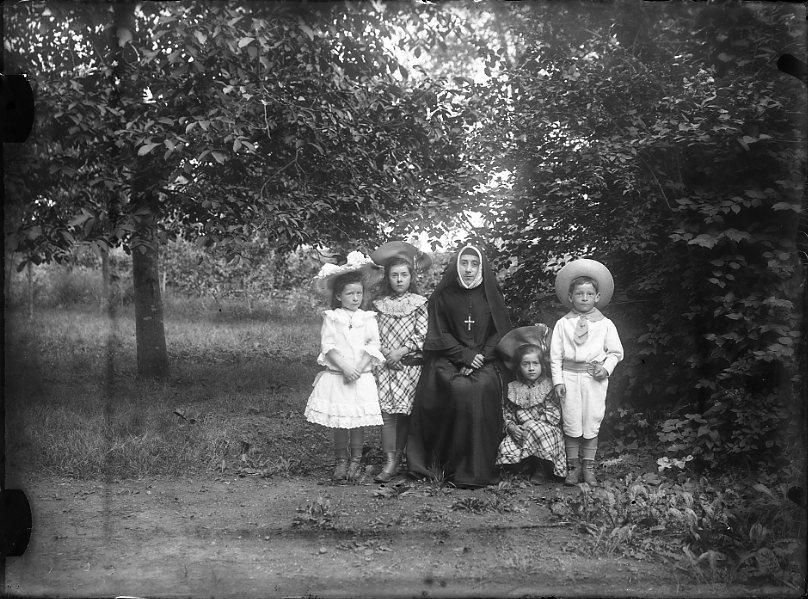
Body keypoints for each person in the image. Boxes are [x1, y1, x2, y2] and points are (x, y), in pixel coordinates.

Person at [407, 245, 512, 488]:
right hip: (448, 357)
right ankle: (446, 464)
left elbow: (499, 332)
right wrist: (464, 356)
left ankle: (478, 467)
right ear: (456, 266)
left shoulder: (491, 295)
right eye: (464, 263)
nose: (468, 269)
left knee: (481, 387)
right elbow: (438, 331)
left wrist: (480, 357)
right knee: (455, 387)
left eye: (474, 264)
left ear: (481, 267)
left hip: (485, 359)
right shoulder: (443, 296)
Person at [304, 251, 385, 482]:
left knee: (357, 422)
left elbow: (373, 344)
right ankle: (341, 460)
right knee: (340, 420)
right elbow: (328, 346)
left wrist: (358, 368)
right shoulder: (332, 317)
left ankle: (356, 461)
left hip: (360, 377)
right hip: (339, 376)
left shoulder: (368, 318)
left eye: (359, 293)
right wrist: (345, 367)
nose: (355, 298)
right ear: (339, 296)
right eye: (350, 293)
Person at [550, 259, 624, 487]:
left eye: (589, 294)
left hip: (594, 378)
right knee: (571, 420)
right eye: (579, 294)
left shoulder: (605, 324)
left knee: (592, 421)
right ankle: (573, 467)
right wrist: (558, 381)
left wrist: (606, 368)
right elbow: (555, 356)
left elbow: (616, 352)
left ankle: (589, 468)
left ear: (597, 297)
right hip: (570, 377)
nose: (584, 298)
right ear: (570, 297)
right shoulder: (563, 324)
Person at [369, 242, 431, 483]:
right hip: (386, 367)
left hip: (408, 367)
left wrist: (401, 352)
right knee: (387, 415)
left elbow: (422, 334)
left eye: (404, 275)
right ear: (388, 277)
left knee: (404, 414)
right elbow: (372, 334)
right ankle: (389, 460)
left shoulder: (419, 303)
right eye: (394, 275)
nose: (399, 280)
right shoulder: (379, 304)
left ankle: (400, 457)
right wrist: (387, 353)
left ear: (411, 277)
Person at [494, 325, 567, 482]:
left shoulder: (548, 385)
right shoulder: (513, 388)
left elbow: (554, 415)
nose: (531, 368)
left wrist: (531, 423)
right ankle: (523, 465)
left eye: (535, 363)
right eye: (526, 364)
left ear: (542, 365)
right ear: (519, 367)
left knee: (536, 430)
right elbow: (508, 412)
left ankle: (542, 468)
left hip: (546, 429)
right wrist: (512, 427)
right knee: (508, 444)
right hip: (523, 431)